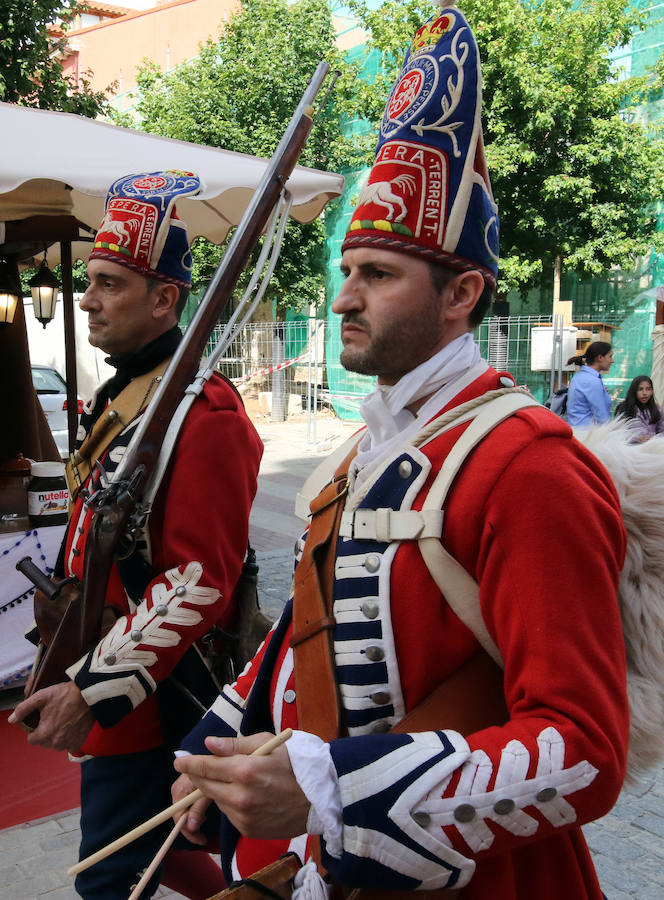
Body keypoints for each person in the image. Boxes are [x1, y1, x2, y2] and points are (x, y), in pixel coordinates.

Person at [170, 8, 629, 900]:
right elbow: (311, 640)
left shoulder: (529, 465)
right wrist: (215, 747)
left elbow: (585, 747)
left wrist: (329, 788)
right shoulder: (359, 452)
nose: (345, 298)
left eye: (378, 275)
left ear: (463, 293)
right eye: (347, 271)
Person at [9, 171, 263, 900]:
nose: (86, 300)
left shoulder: (203, 415)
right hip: (105, 667)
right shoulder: (129, 394)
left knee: (110, 876)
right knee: (144, 857)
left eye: (110, 284)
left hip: (153, 699)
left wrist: (89, 692)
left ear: (164, 299)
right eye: (89, 281)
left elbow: (200, 583)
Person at [566, 341, 614, 426]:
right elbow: (602, 416)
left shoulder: (579, 376)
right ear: (600, 357)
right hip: (588, 434)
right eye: (610, 357)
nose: (612, 361)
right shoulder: (592, 381)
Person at [614, 374, 664, 442]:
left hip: (651, 448)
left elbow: (662, 431)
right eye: (640, 389)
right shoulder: (624, 408)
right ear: (634, 391)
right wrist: (635, 438)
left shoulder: (657, 410)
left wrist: (654, 438)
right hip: (629, 448)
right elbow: (617, 433)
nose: (644, 393)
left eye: (648, 389)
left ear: (652, 391)